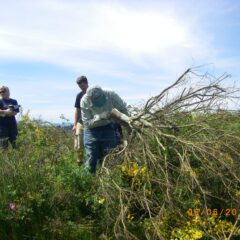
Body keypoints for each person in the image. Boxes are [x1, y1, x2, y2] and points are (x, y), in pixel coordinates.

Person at [81, 86, 128, 173]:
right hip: (91, 130)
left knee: (110, 154)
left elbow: (123, 108)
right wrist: (99, 117)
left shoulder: (111, 94)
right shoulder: (84, 101)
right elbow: (87, 123)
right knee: (92, 156)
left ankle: (109, 178)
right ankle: (89, 181)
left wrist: (130, 121)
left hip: (108, 127)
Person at [72, 76, 89, 164]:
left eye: (82, 86)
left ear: (86, 83)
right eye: (79, 86)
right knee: (79, 144)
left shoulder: (93, 93)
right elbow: (77, 111)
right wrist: (75, 125)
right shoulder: (79, 95)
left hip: (92, 123)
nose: (81, 88)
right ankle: (80, 162)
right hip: (81, 122)